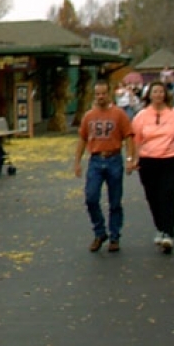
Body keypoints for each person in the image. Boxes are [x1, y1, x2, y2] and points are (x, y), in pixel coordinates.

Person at [131, 81, 174, 255]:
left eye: (161, 92)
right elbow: (134, 140)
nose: (158, 95)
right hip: (148, 160)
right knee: (153, 196)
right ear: (149, 95)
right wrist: (132, 159)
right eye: (155, 92)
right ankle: (160, 227)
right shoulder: (141, 116)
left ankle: (169, 232)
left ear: (165, 95)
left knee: (167, 194)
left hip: (170, 159)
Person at [73, 81, 136, 253]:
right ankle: (99, 232)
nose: (100, 97)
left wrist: (130, 158)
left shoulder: (119, 114)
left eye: (103, 93)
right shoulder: (89, 116)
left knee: (115, 201)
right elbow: (82, 139)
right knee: (91, 197)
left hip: (114, 158)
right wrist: (77, 162)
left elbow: (129, 137)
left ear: (109, 94)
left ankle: (115, 236)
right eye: (97, 94)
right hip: (95, 159)